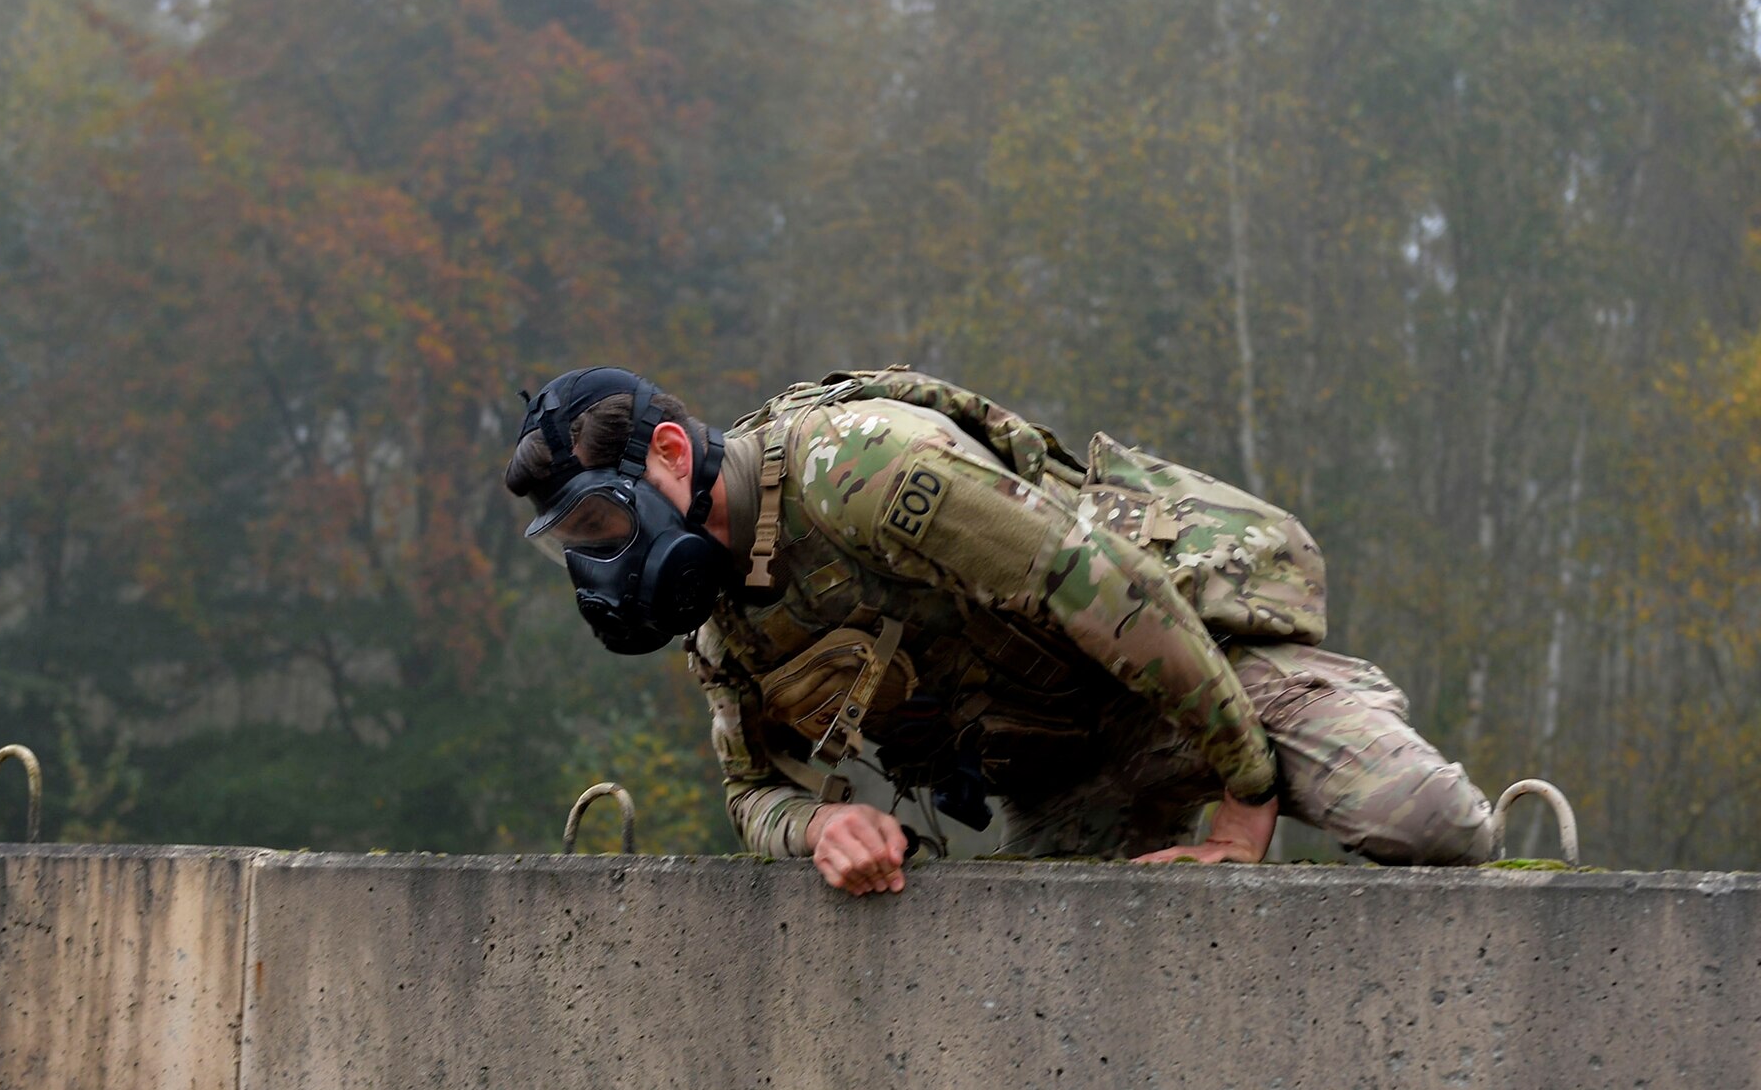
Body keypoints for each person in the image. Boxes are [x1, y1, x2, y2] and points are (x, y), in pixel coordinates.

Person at [503, 364, 1497, 895]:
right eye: (573, 545)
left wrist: (1243, 794)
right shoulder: (726, 623)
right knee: (1047, 995)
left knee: (1426, 822)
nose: (602, 563)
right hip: (1067, 771)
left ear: (668, 454)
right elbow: (749, 793)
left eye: (601, 524)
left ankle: (1336, 705)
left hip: (1192, 676)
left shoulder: (855, 467)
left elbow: (1096, 583)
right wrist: (822, 826)